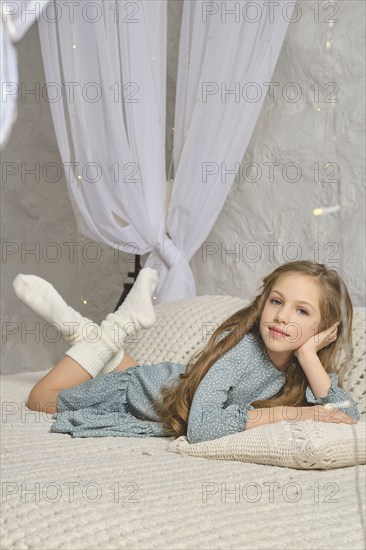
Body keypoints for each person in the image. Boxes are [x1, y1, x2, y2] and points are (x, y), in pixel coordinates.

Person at [13, 260, 360, 443]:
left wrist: (309, 356)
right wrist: (294, 414)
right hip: (135, 390)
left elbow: (347, 416)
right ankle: (113, 327)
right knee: (41, 398)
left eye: (302, 311)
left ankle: (93, 329)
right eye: (277, 301)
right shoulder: (243, 351)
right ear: (263, 303)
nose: (283, 316)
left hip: (168, 384)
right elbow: (203, 428)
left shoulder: (301, 368)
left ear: (324, 330)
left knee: (127, 368)